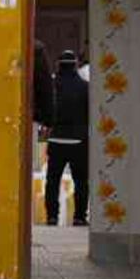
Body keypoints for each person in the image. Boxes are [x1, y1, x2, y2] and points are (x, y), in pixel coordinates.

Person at [42, 50, 89, 227]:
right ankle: (79, 217)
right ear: (76, 65)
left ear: (58, 65)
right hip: (79, 141)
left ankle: (52, 216)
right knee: (81, 181)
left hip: (56, 140)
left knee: (52, 181)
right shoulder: (85, 87)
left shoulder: (52, 86)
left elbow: (45, 112)